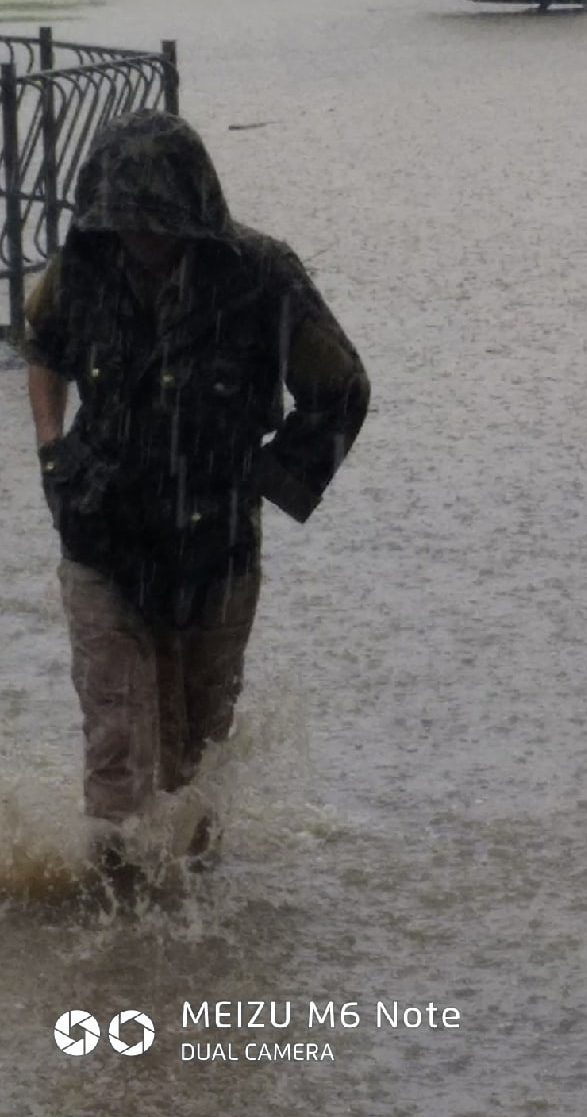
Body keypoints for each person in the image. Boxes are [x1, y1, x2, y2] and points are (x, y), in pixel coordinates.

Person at [22, 109, 370, 893]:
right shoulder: (84, 264)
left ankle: (195, 928)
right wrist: (53, 452)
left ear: (195, 217)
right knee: (118, 747)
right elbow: (43, 349)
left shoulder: (261, 278)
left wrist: (265, 479)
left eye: (157, 225)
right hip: (102, 540)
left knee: (194, 763)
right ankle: (113, 930)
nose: (141, 241)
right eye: (125, 224)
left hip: (215, 554)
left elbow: (341, 389)